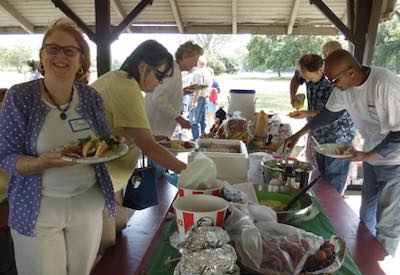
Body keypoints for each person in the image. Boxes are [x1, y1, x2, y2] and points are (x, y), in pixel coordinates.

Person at [0, 18, 115, 275]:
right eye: (53, 48)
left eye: (70, 50)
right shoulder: (19, 97)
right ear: (42, 55)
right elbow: (5, 155)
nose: (60, 56)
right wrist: (38, 163)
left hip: (87, 203)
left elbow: (105, 142)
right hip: (37, 209)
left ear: (81, 61)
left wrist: (116, 148)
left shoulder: (91, 97)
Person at [284, 49, 400, 257]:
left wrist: (367, 156)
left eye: (334, 80)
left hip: (396, 161)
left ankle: (382, 265)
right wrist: (298, 135)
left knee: (388, 224)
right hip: (372, 155)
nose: (332, 86)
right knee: (366, 216)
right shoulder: (343, 87)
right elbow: (328, 115)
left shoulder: (384, 85)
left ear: (352, 72)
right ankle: (364, 261)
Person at [90, 40, 187, 253]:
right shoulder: (125, 86)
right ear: (143, 66)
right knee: (104, 247)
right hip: (95, 181)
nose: (160, 83)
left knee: (118, 228)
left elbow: (123, 129)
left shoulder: (119, 79)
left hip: (106, 179)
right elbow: (150, 148)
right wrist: (189, 171)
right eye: (160, 76)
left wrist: (150, 136)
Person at [288, 54, 355, 193]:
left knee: (334, 178)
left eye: (309, 78)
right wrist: (292, 96)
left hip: (338, 136)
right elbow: (296, 79)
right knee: (322, 176)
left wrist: (307, 114)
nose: (306, 80)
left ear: (320, 70)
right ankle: (325, 206)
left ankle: (333, 209)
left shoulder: (333, 82)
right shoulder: (306, 73)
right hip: (319, 134)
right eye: (304, 76)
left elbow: (330, 112)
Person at [144, 41, 203, 138]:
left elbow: (163, 94)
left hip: (158, 125)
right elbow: (158, 98)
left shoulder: (174, 70)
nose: (196, 65)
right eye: (194, 60)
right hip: (156, 125)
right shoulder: (172, 71)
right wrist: (179, 118)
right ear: (184, 56)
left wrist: (181, 93)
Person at [189, 56, 212, 140]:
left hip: (199, 98)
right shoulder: (208, 73)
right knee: (203, 120)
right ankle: (203, 138)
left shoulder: (198, 73)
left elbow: (198, 88)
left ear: (198, 63)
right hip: (206, 98)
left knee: (194, 120)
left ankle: (196, 139)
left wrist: (194, 101)